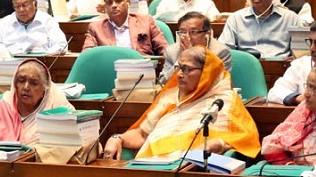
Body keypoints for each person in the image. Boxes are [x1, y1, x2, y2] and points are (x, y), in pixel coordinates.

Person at [102, 47, 260, 160]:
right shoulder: (170, 97)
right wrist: (118, 138)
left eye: (187, 69)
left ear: (206, 72)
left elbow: (243, 136)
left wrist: (219, 144)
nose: (179, 74)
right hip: (152, 164)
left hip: (193, 166)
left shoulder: (224, 100)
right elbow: (142, 134)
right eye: (179, 67)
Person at [0, 59, 73, 147]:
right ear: (14, 84)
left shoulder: (56, 105)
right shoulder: (6, 104)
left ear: (45, 89)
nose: (26, 87)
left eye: (34, 83)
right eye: (21, 81)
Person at [219, 0, 302, 58]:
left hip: (281, 66)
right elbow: (224, 48)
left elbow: (301, 52)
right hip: (247, 65)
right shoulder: (236, 18)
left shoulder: (291, 18)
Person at [82, 0, 168, 56]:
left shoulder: (146, 21)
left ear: (128, 3)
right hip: (110, 71)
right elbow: (86, 55)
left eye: (118, 1)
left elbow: (164, 49)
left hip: (142, 70)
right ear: (105, 7)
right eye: (109, 3)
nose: (114, 5)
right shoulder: (95, 28)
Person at [158, 12, 231, 84]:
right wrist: (181, 60)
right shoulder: (172, 51)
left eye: (193, 32)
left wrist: (191, 57)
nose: (187, 37)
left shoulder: (220, 52)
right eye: (183, 32)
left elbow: (216, 83)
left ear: (207, 34)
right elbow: (163, 82)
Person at [0, 0, 67, 55]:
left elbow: (61, 45)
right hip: (10, 65)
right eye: (17, 6)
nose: (21, 10)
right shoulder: (5, 23)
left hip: (41, 63)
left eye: (25, 5)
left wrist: (45, 55)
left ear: (35, 4)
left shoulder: (48, 21)